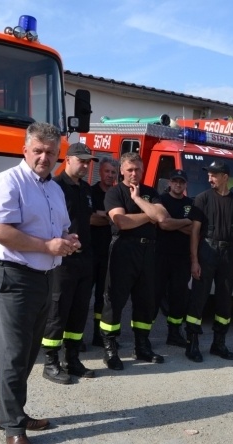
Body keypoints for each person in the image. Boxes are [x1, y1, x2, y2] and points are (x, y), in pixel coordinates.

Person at [0, 122, 78, 444]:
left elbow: (61, 228)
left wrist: (68, 241)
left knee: (27, 350)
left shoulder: (53, 189)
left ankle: (8, 413)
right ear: (25, 150)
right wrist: (47, 246)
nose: (44, 157)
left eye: (50, 152)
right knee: (13, 352)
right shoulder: (7, 182)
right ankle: (14, 429)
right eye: (37, 150)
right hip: (12, 276)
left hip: (42, 276)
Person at [99, 152, 169, 370]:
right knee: (115, 300)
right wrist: (150, 215)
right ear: (121, 170)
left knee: (145, 300)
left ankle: (142, 346)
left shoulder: (149, 192)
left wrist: (139, 200)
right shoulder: (114, 193)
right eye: (129, 169)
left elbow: (163, 217)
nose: (134, 173)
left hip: (148, 251)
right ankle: (110, 349)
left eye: (138, 169)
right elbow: (120, 221)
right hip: (123, 249)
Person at [41, 143, 98, 384]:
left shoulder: (85, 189)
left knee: (78, 311)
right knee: (58, 311)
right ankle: (50, 361)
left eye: (88, 162)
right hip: (63, 260)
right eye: (81, 160)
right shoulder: (54, 186)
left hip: (84, 260)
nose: (85, 166)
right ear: (68, 159)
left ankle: (72, 358)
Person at [184, 160, 233, 362]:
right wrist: (194, 261)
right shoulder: (202, 199)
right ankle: (192, 344)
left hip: (228, 255)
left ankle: (218, 344)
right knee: (199, 299)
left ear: (225, 177)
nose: (209, 178)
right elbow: (194, 232)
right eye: (208, 175)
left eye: (214, 175)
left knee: (224, 301)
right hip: (207, 251)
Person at [154, 169, 196, 348]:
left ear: (186, 185)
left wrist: (173, 223)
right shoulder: (161, 200)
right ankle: (143, 336)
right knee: (153, 295)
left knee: (179, 297)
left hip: (182, 258)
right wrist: (184, 222)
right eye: (175, 181)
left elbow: (193, 230)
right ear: (169, 183)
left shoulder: (191, 203)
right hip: (161, 256)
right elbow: (163, 223)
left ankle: (174, 332)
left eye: (181, 182)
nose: (178, 184)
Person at [90, 156, 117, 347]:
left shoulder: (117, 194)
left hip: (110, 254)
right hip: (90, 252)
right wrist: (111, 217)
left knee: (104, 296)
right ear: (100, 172)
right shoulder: (90, 192)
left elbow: (124, 218)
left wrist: (102, 215)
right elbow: (89, 219)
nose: (110, 175)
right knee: (82, 295)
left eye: (113, 172)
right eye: (107, 171)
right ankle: (73, 338)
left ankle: (99, 335)